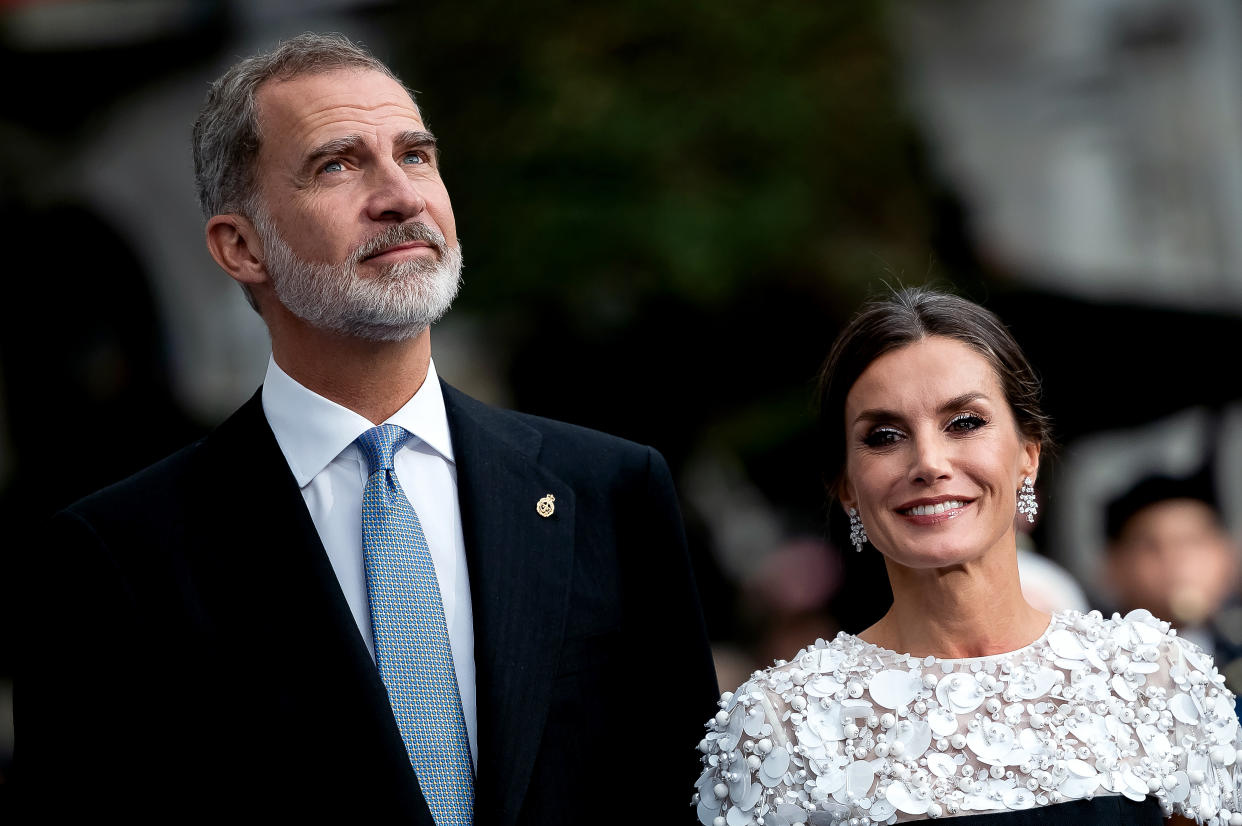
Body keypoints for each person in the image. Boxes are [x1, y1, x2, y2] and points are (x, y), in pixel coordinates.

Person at [17, 33, 717, 824]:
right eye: (338, 164)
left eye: (416, 156)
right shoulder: (117, 555)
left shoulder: (611, 493)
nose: (401, 195)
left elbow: (682, 795)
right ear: (241, 247)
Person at [694, 288, 1242, 825]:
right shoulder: (779, 723)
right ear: (846, 487)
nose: (929, 462)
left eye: (964, 423)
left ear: (1028, 454)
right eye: (885, 435)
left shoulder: (1158, 680)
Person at [1105, 473, 1242, 712]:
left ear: (1227, 554)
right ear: (1114, 567)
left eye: (1192, 542)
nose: (1175, 560)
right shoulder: (1102, 668)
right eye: (1149, 546)